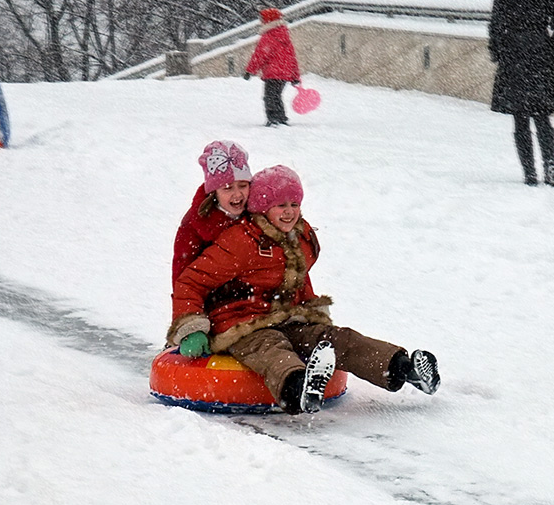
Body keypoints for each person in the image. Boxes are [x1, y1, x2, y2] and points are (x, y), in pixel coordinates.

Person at [167, 165, 440, 415]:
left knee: (336, 338)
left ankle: (404, 368)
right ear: (262, 208)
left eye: (294, 204)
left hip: (287, 317)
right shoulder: (240, 241)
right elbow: (191, 281)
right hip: (241, 325)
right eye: (280, 205)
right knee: (272, 349)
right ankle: (299, 389)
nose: (289, 212)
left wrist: (311, 311)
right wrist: (192, 328)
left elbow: (298, 277)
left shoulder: (301, 234)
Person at [488, 0, 554, 187]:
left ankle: (530, 172)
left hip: (514, 57)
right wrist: (551, 52)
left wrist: (500, 53)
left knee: (520, 118)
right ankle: (550, 164)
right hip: (539, 55)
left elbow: (496, 26)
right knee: (542, 115)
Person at [171, 140, 253, 288]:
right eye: (227, 189)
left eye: (243, 185)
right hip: (217, 300)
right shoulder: (194, 224)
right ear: (214, 192)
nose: (237, 194)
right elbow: (182, 278)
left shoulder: (258, 213)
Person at [243, 7, 301, 127]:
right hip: (284, 74)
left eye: (262, 19)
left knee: (270, 97)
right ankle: (280, 118)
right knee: (276, 96)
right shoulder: (285, 38)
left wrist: (250, 71)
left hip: (272, 73)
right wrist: (295, 76)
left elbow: (259, 56)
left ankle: (274, 119)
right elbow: (292, 59)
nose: (260, 21)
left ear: (268, 21)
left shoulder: (268, 37)